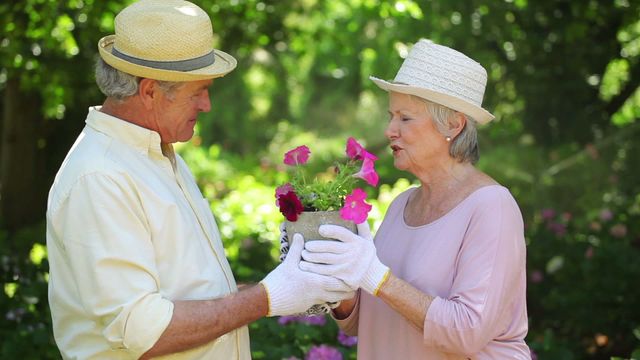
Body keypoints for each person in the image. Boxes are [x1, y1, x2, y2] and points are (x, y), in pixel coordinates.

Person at [45, 1, 353, 358]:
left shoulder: (155, 155)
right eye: (198, 91)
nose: (207, 105)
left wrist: (293, 285)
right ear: (149, 92)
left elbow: (193, 293)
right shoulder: (100, 177)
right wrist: (268, 297)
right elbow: (146, 331)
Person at [296, 39, 531, 358]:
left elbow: (466, 334)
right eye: (392, 116)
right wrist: (338, 279)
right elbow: (369, 321)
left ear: (453, 123)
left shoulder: (492, 208)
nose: (390, 130)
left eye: (405, 118)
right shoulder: (401, 205)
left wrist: (376, 276)